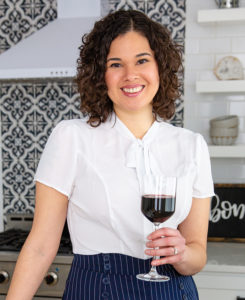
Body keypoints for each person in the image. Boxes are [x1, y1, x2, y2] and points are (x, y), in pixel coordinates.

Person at [6, 9, 214, 300]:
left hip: (174, 291)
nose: (131, 75)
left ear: (160, 66)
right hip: (97, 289)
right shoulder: (71, 137)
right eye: (116, 64)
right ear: (100, 75)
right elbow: (41, 245)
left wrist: (180, 254)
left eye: (142, 60)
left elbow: (197, 254)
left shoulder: (191, 146)